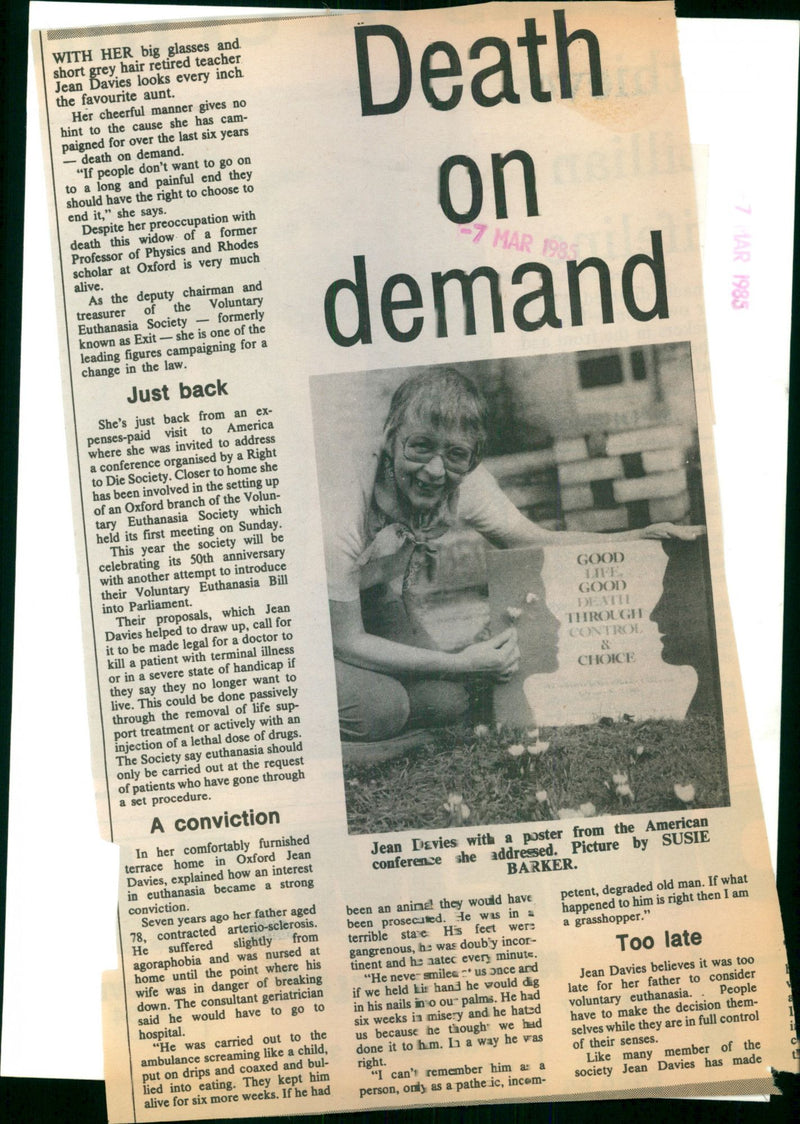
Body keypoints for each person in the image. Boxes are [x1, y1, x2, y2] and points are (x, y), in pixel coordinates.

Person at [324, 367, 703, 763]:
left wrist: (635, 537)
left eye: (455, 455)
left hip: (369, 596)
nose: (435, 470)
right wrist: (459, 662)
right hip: (309, 618)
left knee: (447, 701)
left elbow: (533, 540)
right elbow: (347, 639)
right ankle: (359, 744)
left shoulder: (466, 483)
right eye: (420, 447)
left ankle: (379, 728)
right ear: (390, 439)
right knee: (383, 709)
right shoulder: (344, 503)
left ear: (473, 459)